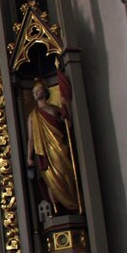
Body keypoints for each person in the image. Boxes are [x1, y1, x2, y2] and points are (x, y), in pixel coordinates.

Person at [26, 80, 80, 214]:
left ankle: (73, 204)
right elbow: (31, 139)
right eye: (35, 92)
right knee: (51, 181)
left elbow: (67, 125)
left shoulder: (54, 109)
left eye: (39, 90)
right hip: (45, 153)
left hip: (59, 147)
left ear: (45, 92)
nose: (38, 93)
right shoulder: (33, 116)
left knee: (66, 174)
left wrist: (65, 106)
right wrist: (29, 157)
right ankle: (57, 210)